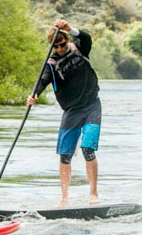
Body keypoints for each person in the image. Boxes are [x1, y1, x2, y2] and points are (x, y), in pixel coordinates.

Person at [27, 19, 101, 207]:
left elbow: (86, 37)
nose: (59, 49)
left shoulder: (79, 48)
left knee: (88, 149)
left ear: (66, 40)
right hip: (71, 111)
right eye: (56, 47)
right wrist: (34, 95)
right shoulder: (51, 63)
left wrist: (70, 28)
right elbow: (42, 81)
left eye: (61, 45)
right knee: (65, 155)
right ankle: (64, 197)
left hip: (92, 106)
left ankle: (93, 194)